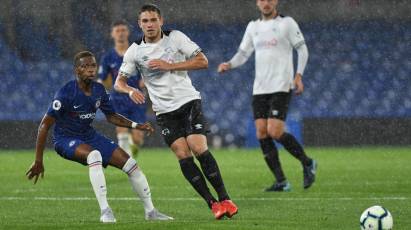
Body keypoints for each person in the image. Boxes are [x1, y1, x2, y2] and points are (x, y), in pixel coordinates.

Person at [114, 4, 238, 220]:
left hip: (188, 101)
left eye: (153, 20)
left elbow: (203, 61)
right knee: (183, 154)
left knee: (198, 147)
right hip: (164, 112)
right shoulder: (135, 50)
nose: (150, 25)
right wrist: (130, 90)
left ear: (161, 21)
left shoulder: (176, 38)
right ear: (139, 24)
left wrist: (169, 66)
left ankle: (225, 198)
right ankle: (213, 204)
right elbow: (119, 82)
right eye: (145, 21)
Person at [26, 51, 172, 223]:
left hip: (89, 135)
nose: (90, 69)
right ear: (77, 71)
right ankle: (106, 212)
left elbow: (112, 116)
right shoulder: (65, 93)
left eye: (93, 65)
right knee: (94, 155)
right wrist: (38, 160)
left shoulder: (99, 90)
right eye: (85, 66)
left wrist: (135, 125)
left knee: (131, 164)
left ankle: (151, 212)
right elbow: (44, 125)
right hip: (65, 139)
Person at [217, 0, 317, 191]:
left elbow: (302, 49)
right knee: (261, 132)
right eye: (263, 0)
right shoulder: (253, 27)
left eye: (270, 0)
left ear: (276, 2)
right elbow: (243, 53)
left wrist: (298, 76)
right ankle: (281, 181)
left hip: (281, 85)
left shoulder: (286, 23)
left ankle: (307, 162)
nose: (266, 3)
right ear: (257, 3)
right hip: (260, 89)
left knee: (275, 131)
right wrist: (229, 64)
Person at [98, 20, 147, 157]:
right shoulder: (108, 57)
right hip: (118, 98)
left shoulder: (137, 53)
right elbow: (102, 78)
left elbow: (147, 73)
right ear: (112, 34)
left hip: (137, 98)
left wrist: (145, 81)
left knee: (138, 138)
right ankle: (127, 164)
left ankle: (133, 150)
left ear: (128, 32)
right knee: (122, 133)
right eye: (117, 31)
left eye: (123, 30)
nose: (120, 33)